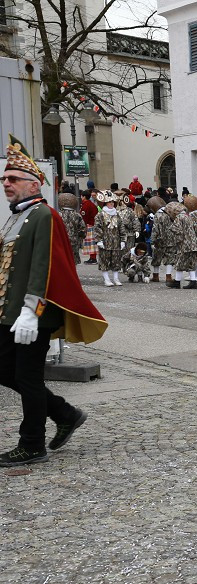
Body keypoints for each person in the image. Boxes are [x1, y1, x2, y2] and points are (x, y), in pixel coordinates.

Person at [0, 134, 108, 466]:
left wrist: (32, 311)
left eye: (14, 178)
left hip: (34, 312)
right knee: (6, 370)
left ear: (33, 185)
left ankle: (32, 443)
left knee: (28, 377)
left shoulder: (43, 215)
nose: (7, 182)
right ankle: (64, 413)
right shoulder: (17, 216)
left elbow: (43, 265)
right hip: (11, 314)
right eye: (4, 178)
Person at [175, 195, 197, 289]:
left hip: (194, 240)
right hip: (195, 239)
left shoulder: (193, 216)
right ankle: (194, 276)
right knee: (194, 259)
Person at [56, 192, 86, 266]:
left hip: (61, 240)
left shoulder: (58, 214)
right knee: (73, 259)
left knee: (63, 258)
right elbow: (82, 229)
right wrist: (80, 238)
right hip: (74, 240)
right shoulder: (77, 215)